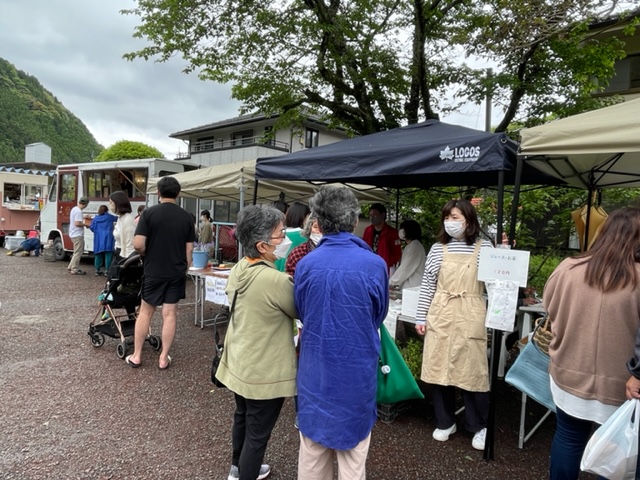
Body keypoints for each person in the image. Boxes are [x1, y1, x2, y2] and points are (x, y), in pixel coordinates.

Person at [294, 185, 388, 480]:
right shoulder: (375, 265)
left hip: (315, 371)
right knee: (353, 461)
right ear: (355, 220)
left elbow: (302, 311)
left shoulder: (306, 264)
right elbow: (378, 315)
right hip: (355, 372)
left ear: (318, 223)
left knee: (312, 457)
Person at [544, 207, 640, 480]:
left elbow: (550, 308)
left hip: (568, 371)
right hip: (623, 384)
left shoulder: (568, 268)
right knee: (616, 448)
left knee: (568, 437)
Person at [215, 204, 297, 480]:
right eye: (281, 234)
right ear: (262, 245)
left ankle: (236, 469)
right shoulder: (275, 280)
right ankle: (246, 472)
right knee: (258, 433)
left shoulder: (240, 267)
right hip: (264, 369)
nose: (285, 239)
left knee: (243, 416)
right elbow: (299, 310)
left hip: (240, 359)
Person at [414, 199, 493, 451]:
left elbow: (494, 285)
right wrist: (420, 317)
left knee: (473, 370)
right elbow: (428, 285)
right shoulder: (438, 249)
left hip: (471, 309)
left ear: (469, 221)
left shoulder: (485, 247)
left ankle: (479, 425)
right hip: (442, 310)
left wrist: (496, 317)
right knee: (439, 367)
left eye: (455, 217)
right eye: (447, 218)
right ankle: (445, 421)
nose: (450, 222)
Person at [127, 177, 196, 370]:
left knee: (145, 312)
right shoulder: (186, 217)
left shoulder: (149, 213)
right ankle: (163, 358)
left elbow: (138, 244)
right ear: (178, 193)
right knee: (170, 314)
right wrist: (185, 268)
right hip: (176, 272)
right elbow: (189, 249)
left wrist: (146, 253)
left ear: (158, 192)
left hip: (154, 270)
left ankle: (137, 356)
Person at [362, 203, 402, 274]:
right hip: (369, 265)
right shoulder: (368, 230)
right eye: (370, 215)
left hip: (384, 267)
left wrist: (389, 262)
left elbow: (397, 253)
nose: (372, 218)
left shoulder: (392, 233)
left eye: (375, 215)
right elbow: (363, 247)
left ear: (382, 215)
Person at [389, 219, 426, 290]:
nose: (400, 231)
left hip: (413, 288)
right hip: (409, 288)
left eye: (403, 229)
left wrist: (391, 282)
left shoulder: (415, 246)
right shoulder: (410, 246)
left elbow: (405, 269)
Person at [274, 201, 310, 271]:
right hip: (290, 274)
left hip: (274, 272)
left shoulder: (277, 234)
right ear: (304, 217)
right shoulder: (304, 237)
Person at [89, 205, 116, 275]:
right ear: (107, 210)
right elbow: (118, 219)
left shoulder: (95, 219)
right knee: (108, 254)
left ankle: (97, 270)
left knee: (98, 254)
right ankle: (107, 270)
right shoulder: (109, 217)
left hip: (98, 238)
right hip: (108, 237)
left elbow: (91, 227)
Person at [109, 191, 136, 260]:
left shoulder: (128, 219)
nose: (110, 206)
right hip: (118, 252)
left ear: (118, 203)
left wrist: (127, 260)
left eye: (111, 203)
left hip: (124, 255)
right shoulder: (120, 217)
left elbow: (130, 243)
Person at [67, 196, 89, 275]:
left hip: (73, 233)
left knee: (76, 251)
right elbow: (77, 223)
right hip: (78, 234)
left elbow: (76, 218)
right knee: (78, 252)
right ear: (86, 204)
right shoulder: (79, 211)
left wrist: (84, 216)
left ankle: (70, 266)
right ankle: (74, 269)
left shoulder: (74, 209)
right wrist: (86, 225)